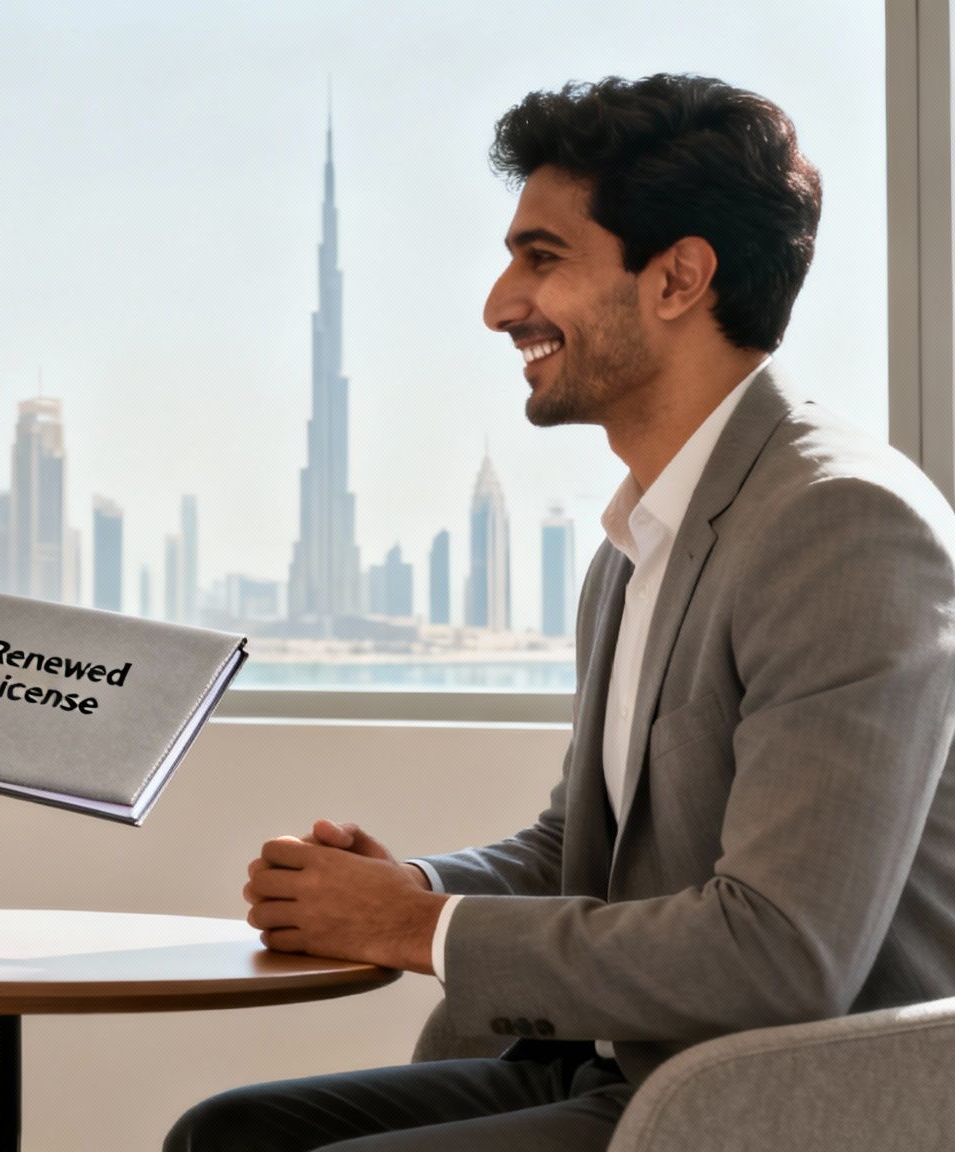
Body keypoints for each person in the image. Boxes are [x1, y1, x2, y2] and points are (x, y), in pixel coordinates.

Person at [168, 73, 955, 1150]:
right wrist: (405, 889)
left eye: (541, 259)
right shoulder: (642, 538)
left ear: (677, 278)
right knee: (229, 1136)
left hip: (782, 1095)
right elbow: (578, 850)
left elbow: (780, 954)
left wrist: (417, 929)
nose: (497, 305)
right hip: (627, 1058)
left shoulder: (839, 525)